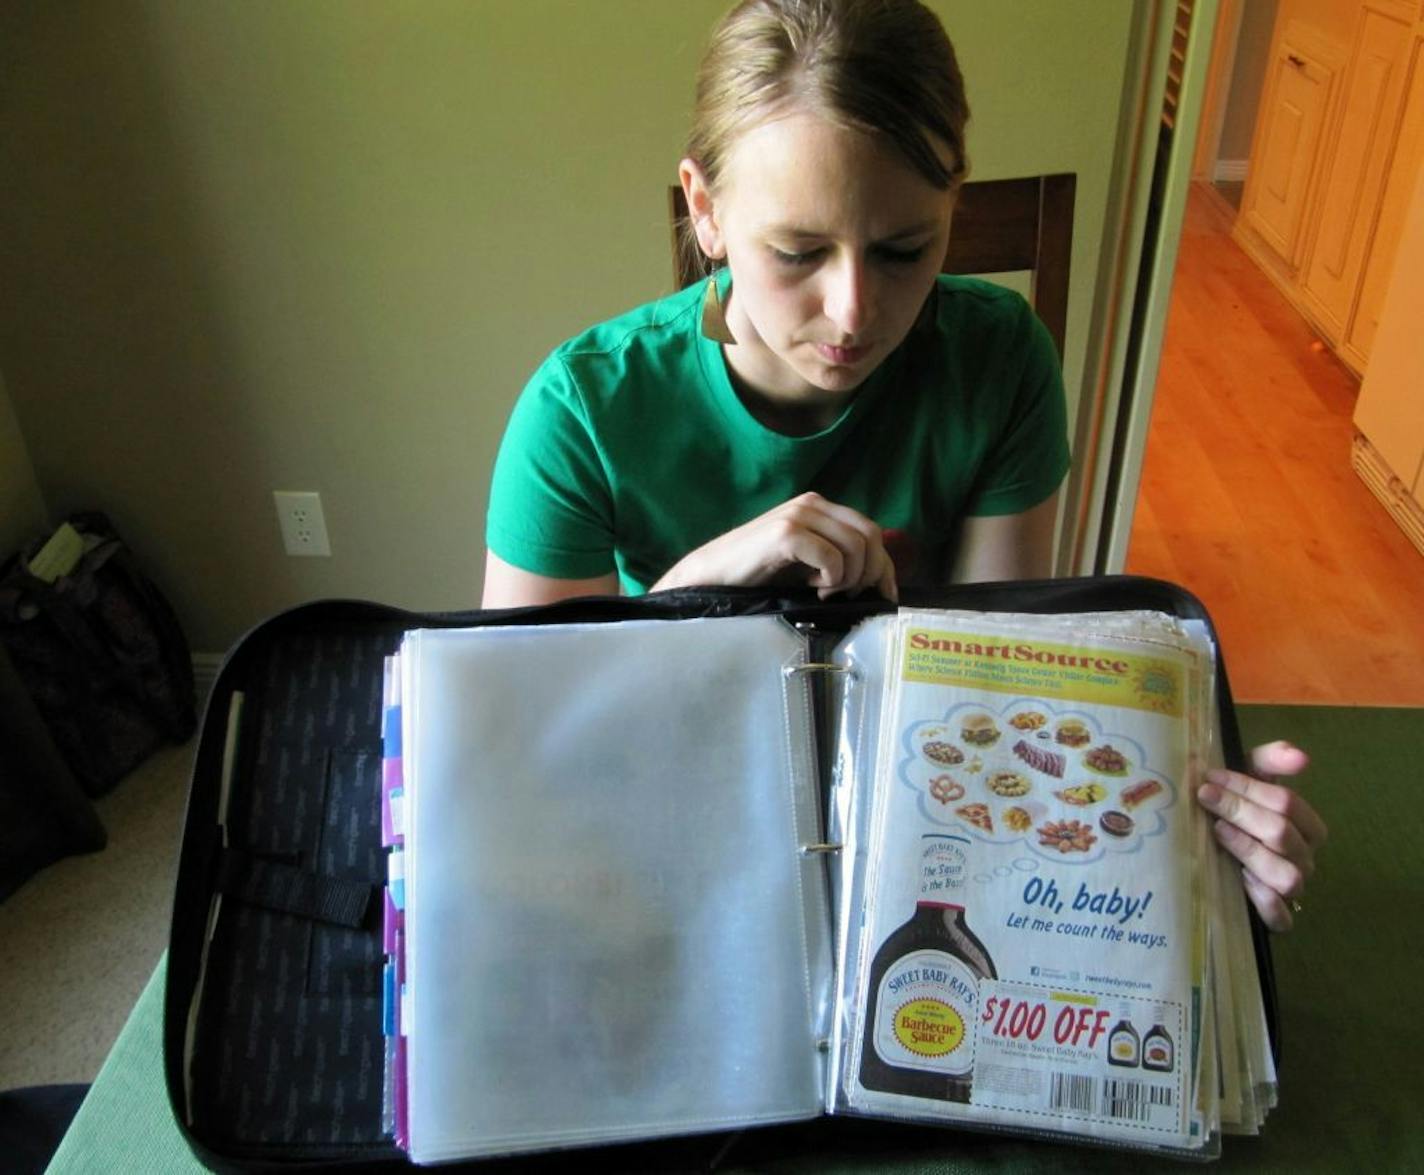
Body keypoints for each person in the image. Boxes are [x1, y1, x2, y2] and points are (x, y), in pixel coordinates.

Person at [481, 0, 1325, 930]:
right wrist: (697, 589)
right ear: (706, 211)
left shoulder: (999, 358)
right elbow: (531, 751)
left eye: (905, 249)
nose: (852, 312)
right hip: (673, 820)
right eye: (798, 252)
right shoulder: (582, 411)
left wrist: (1188, 822)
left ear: (953, 207)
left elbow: (1008, 685)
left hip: (918, 818)